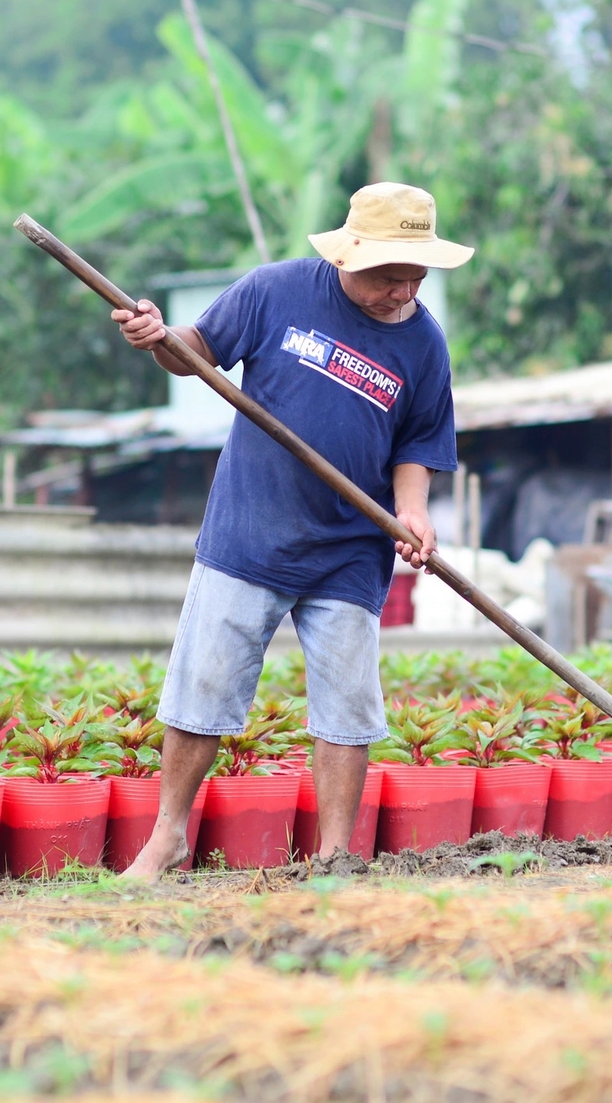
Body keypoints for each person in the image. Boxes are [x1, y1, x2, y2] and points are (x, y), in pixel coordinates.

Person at [110, 182, 472, 876]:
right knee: (203, 686)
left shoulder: (424, 342)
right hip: (252, 529)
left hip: (349, 551)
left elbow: (420, 444)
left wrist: (414, 512)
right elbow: (195, 349)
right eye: (389, 277)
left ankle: (335, 857)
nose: (403, 292)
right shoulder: (275, 291)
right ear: (350, 253)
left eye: (416, 277)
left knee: (347, 702)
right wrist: (158, 338)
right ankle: (168, 837)